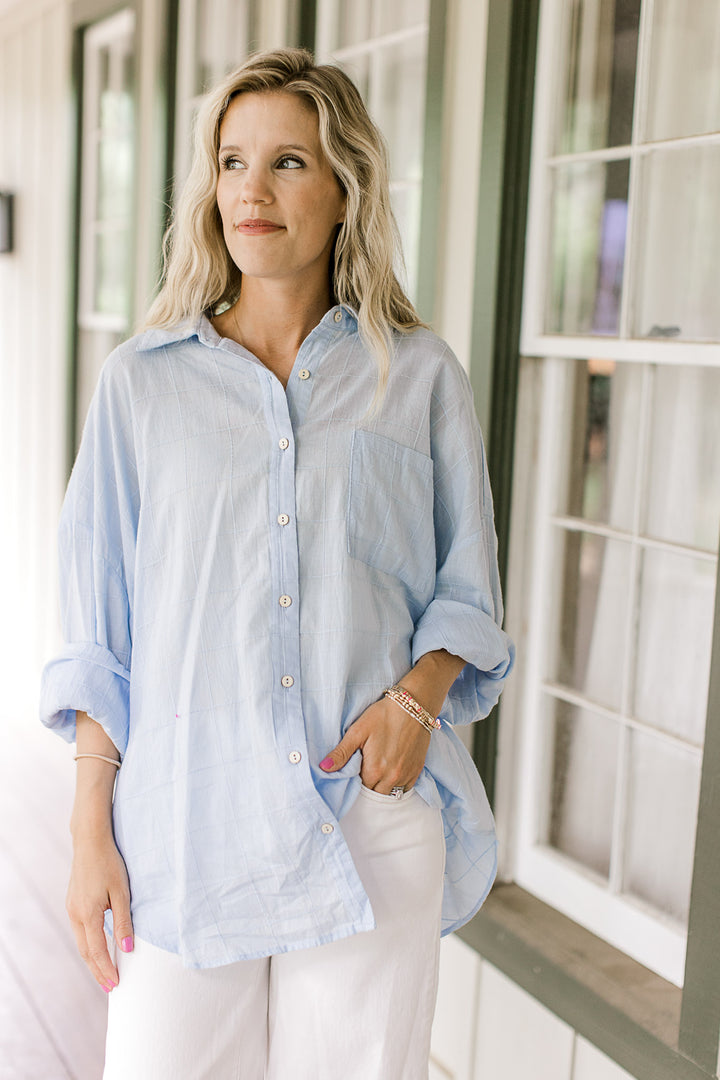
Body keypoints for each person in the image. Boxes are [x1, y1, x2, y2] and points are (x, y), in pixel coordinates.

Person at [39, 46, 514, 1080]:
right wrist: (88, 835)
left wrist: (421, 697)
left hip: (365, 817)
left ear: (345, 189)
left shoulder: (419, 377)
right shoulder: (141, 387)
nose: (253, 190)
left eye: (290, 161)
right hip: (185, 820)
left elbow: (468, 592)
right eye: (232, 160)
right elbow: (96, 634)